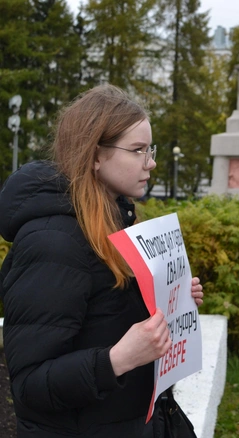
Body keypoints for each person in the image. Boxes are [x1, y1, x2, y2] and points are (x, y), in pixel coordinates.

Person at [0, 84, 204, 438]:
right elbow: (31, 384)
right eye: (138, 150)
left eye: (150, 149)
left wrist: (172, 300)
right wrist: (119, 358)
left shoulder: (116, 221)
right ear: (95, 155)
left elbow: (105, 315)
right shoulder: (52, 243)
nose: (151, 162)